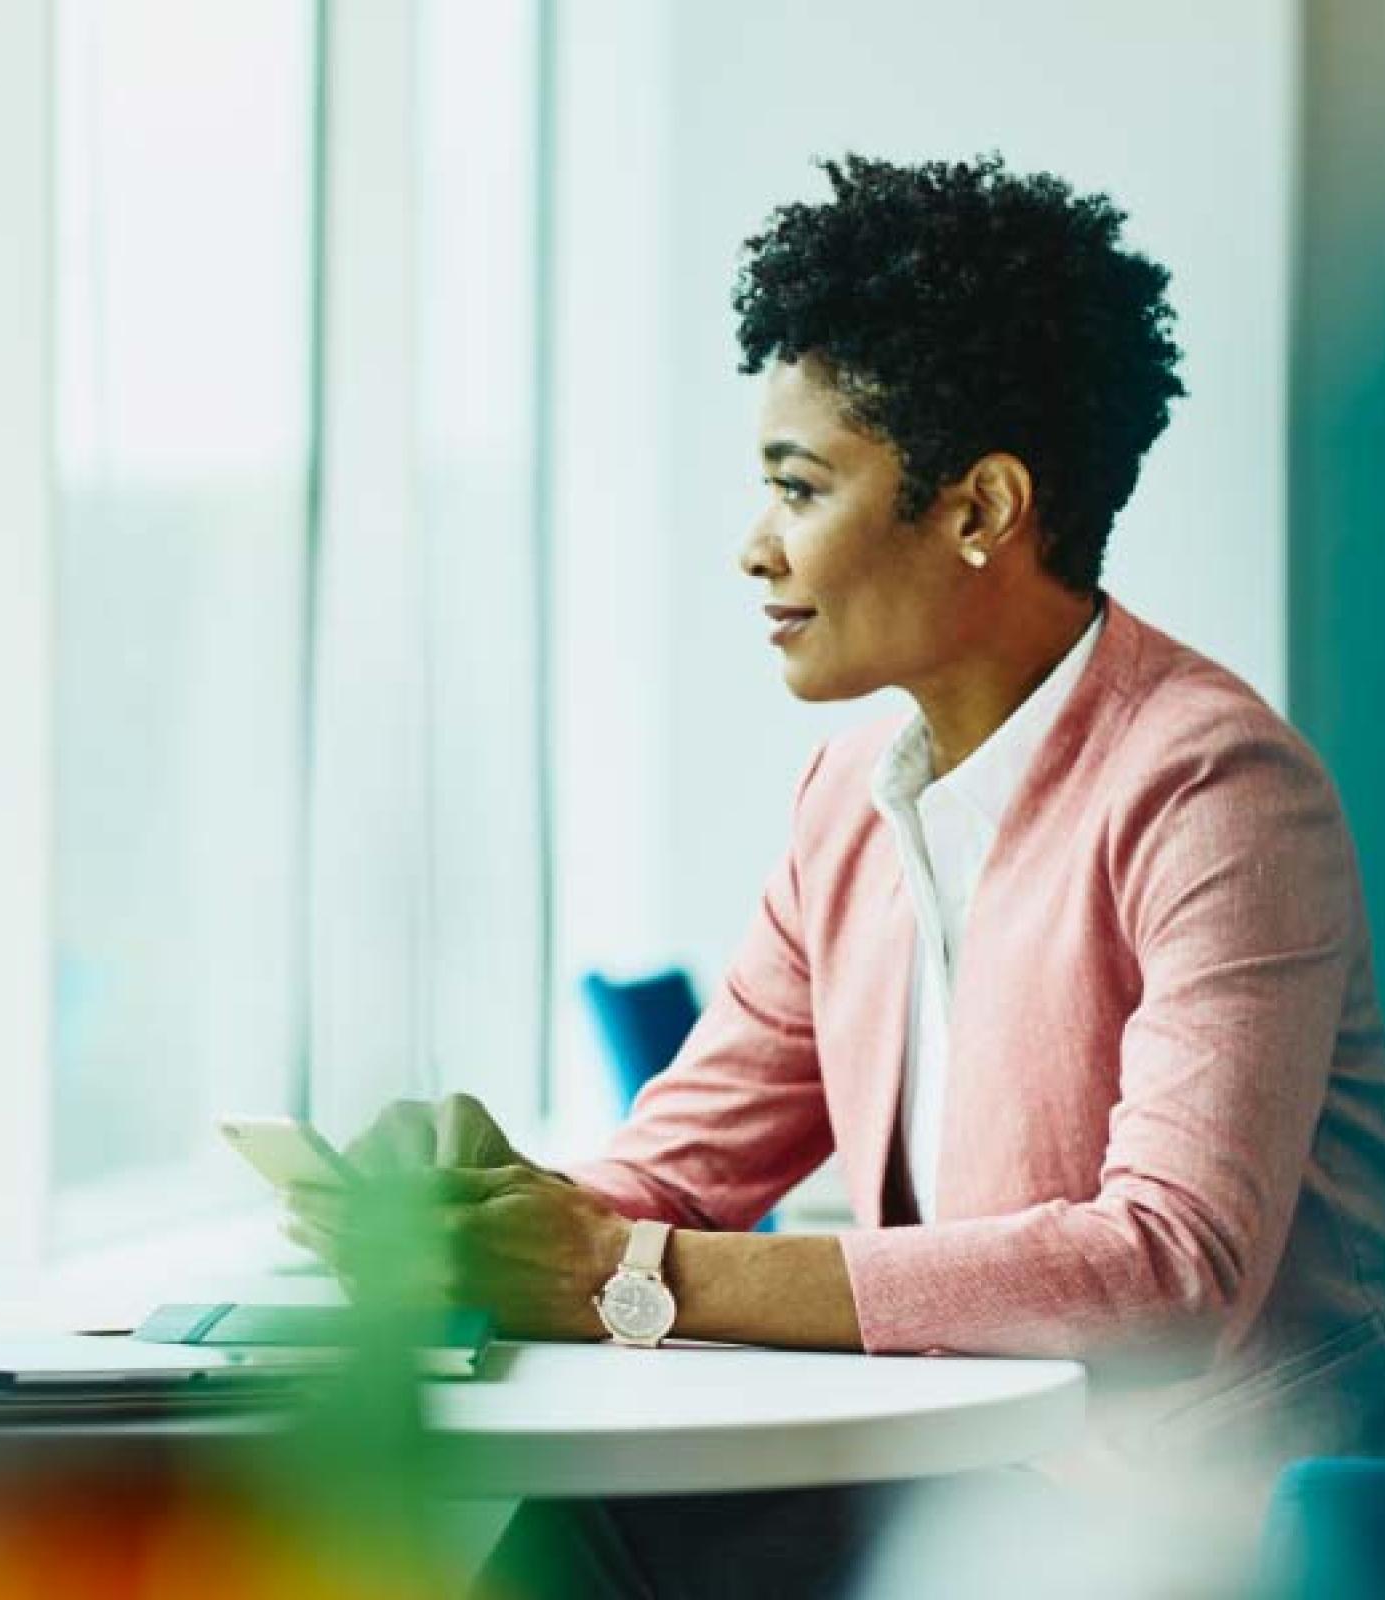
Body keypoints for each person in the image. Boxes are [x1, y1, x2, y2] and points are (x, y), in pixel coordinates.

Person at [289, 153, 1385, 1597]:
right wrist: (494, 1209)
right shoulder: (853, 802)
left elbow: (1163, 1275)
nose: (754, 549)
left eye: (799, 487)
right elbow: (682, 1163)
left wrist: (625, 1276)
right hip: (959, 1468)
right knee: (577, 1539)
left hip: (1194, 1511)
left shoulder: (1218, 791)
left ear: (982, 507)